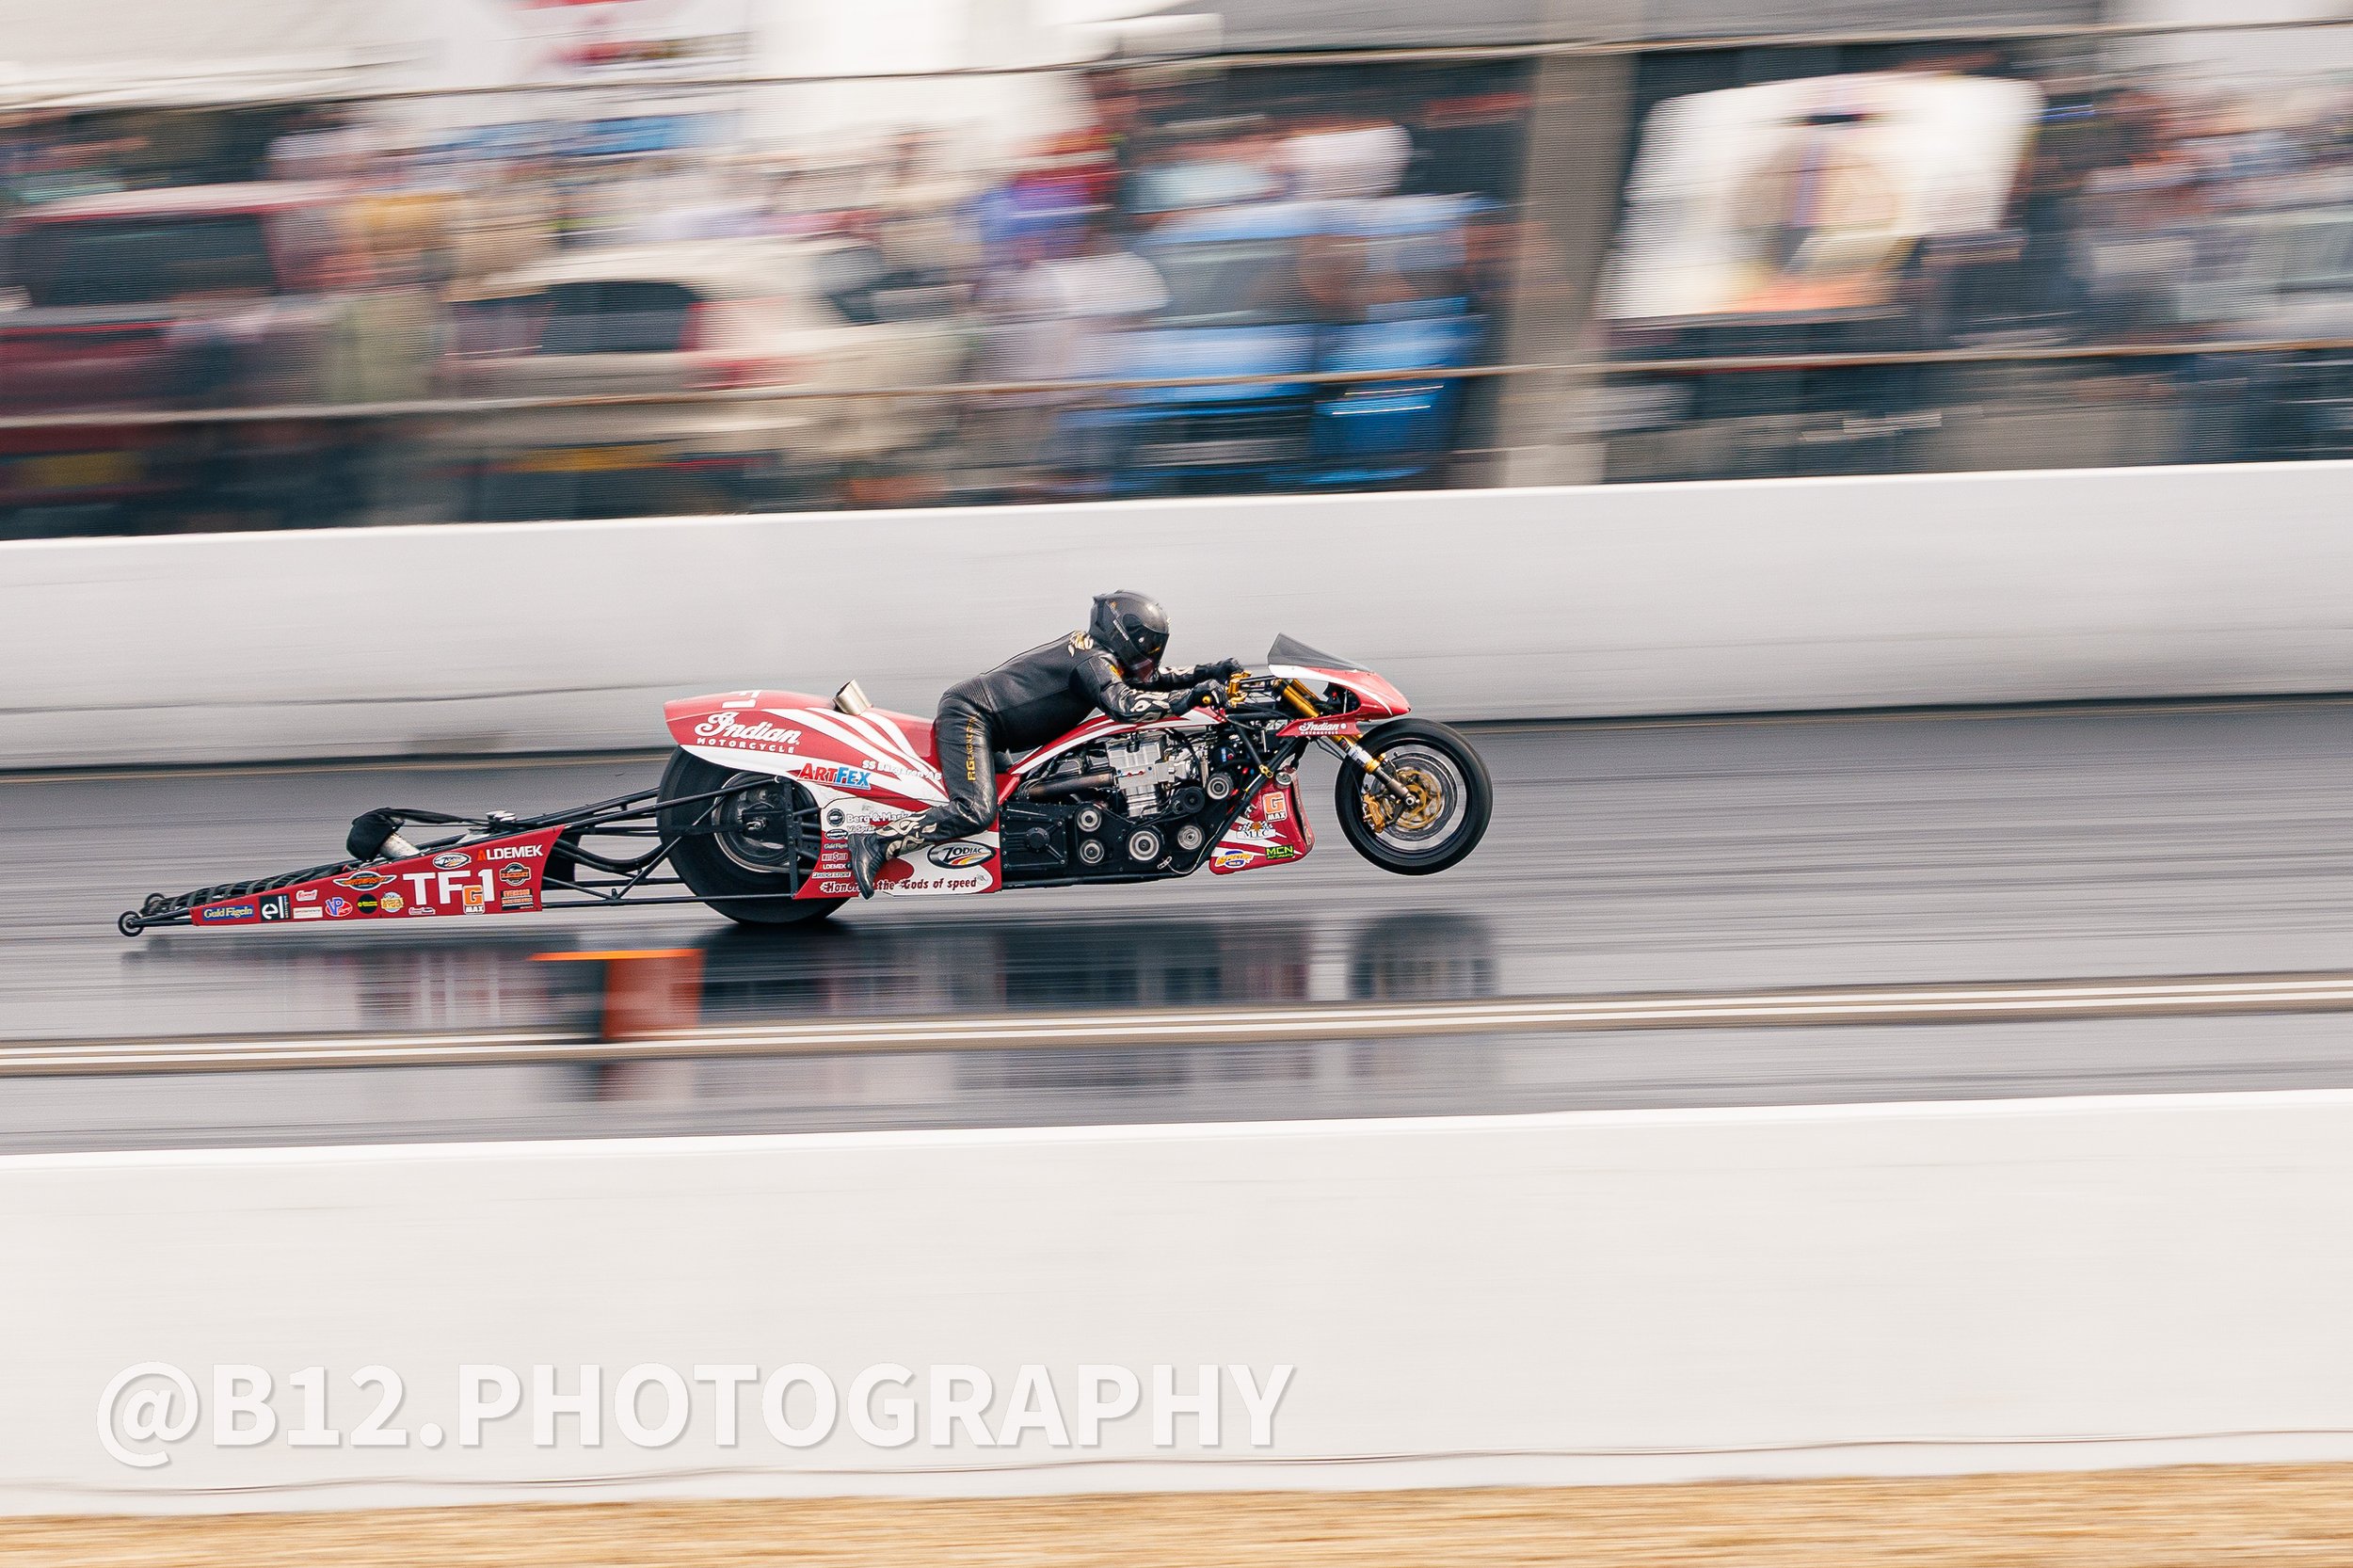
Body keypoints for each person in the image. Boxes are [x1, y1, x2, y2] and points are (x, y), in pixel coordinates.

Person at [847, 592, 1245, 897]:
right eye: (1144, 651)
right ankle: (876, 842)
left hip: (992, 725)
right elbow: (1126, 704)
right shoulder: (1094, 663)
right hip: (971, 715)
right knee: (975, 810)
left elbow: (1145, 682)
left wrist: (1209, 673)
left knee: (1024, 800)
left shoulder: (1100, 653)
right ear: (1125, 638)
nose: (1148, 661)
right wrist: (1191, 698)